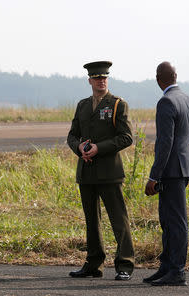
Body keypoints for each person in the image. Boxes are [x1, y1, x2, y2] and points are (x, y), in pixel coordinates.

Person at [67, 61, 134, 281]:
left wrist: (99, 148)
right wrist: (79, 148)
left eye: (104, 77)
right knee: (91, 221)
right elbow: (72, 135)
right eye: (97, 78)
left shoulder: (117, 104)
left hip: (109, 172)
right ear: (90, 80)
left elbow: (126, 137)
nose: (101, 81)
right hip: (87, 171)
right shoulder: (83, 105)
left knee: (118, 219)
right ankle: (93, 264)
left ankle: (124, 264)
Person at [144, 61, 189, 286]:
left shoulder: (166, 102)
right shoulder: (187, 99)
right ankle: (166, 267)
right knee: (167, 220)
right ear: (175, 76)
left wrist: (154, 176)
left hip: (171, 171)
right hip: (183, 167)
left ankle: (177, 271)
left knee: (175, 222)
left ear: (158, 79)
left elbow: (165, 142)